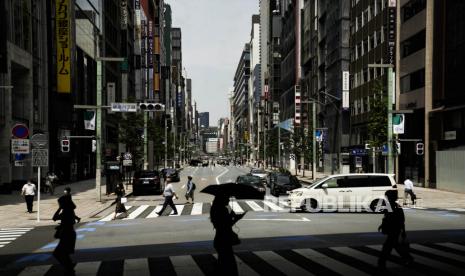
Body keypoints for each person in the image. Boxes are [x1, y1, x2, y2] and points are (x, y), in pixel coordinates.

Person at [210, 195, 246, 275]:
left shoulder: (214, 209)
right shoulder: (223, 210)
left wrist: (232, 217)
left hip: (219, 239)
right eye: (227, 198)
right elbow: (226, 225)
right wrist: (236, 218)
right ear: (222, 200)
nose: (229, 200)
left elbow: (220, 225)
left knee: (222, 265)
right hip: (224, 240)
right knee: (230, 267)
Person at [378, 189, 414, 269]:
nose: (386, 198)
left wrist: (403, 231)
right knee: (395, 246)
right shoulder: (392, 206)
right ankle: (408, 258)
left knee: (387, 248)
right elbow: (388, 218)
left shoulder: (395, 207)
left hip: (394, 230)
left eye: (387, 196)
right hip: (394, 230)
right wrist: (382, 225)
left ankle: (381, 264)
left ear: (391, 197)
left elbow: (400, 220)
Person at [53, 187, 80, 274]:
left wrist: (59, 208)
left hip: (67, 235)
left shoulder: (66, 212)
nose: (59, 205)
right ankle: (69, 268)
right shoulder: (70, 211)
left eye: (60, 204)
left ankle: (69, 268)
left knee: (58, 253)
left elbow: (54, 218)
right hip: (69, 234)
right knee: (64, 254)